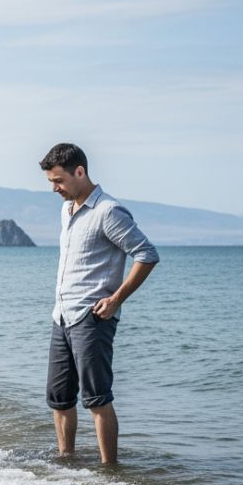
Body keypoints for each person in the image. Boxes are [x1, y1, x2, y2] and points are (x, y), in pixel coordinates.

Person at [40, 143, 159, 464]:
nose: (54, 188)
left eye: (59, 181)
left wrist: (116, 298)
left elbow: (147, 254)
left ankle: (110, 472)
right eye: (51, 182)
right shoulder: (66, 210)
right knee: (60, 400)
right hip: (62, 317)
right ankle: (66, 461)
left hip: (92, 319)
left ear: (80, 172)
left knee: (96, 399)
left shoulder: (109, 211)